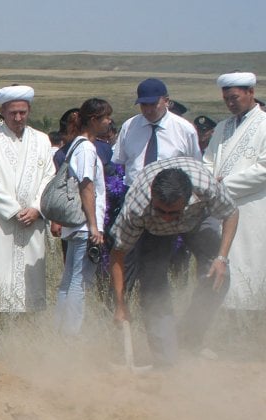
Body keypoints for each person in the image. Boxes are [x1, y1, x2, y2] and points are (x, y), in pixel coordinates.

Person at [110, 159, 237, 365]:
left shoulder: (206, 187)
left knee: (220, 276)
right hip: (154, 231)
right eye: (162, 211)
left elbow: (231, 212)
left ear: (189, 199)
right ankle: (165, 357)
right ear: (152, 196)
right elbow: (118, 253)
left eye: (173, 212)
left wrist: (221, 258)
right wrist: (120, 303)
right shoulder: (136, 207)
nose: (168, 218)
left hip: (197, 219)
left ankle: (189, 338)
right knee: (153, 287)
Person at [0, 85, 55, 313]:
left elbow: (49, 177)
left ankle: (30, 323)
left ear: (29, 110)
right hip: (3, 221)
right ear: (2, 111)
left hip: (33, 219)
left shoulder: (42, 140)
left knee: (31, 282)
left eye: (22, 112)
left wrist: (36, 208)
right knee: (0, 276)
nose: (18, 118)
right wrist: (14, 211)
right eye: (12, 113)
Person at [203, 71, 266, 312]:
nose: (230, 103)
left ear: (251, 93)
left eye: (235, 97)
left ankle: (251, 316)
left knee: (249, 263)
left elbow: (263, 169)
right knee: (221, 262)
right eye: (226, 99)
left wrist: (223, 185)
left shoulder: (264, 125)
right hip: (220, 208)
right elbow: (208, 161)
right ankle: (221, 317)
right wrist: (208, 183)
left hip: (252, 206)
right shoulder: (222, 127)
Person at [53, 99, 114, 336]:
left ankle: (60, 329)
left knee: (69, 279)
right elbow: (86, 187)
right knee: (80, 280)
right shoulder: (87, 148)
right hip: (83, 225)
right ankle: (71, 334)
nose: (109, 122)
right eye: (105, 118)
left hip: (74, 224)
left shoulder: (75, 145)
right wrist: (94, 226)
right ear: (93, 120)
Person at [113, 79, 200, 189]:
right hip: (133, 192)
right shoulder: (129, 126)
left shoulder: (185, 130)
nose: (148, 110)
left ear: (166, 101)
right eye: (144, 105)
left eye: (153, 104)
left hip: (170, 195)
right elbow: (123, 162)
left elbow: (195, 167)